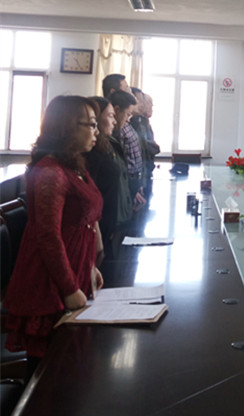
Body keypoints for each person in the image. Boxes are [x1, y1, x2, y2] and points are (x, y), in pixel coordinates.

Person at [3, 96, 104, 377]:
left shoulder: (74, 165)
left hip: (72, 272)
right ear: (66, 127)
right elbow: (48, 236)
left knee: (70, 368)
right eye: (90, 124)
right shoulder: (51, 171)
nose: (96, 131)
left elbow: (83, 221)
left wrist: (90, 266)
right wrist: (69, 288)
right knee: (49, 372)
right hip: (51, 282)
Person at [85, 96, 133, 260]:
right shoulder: (91, 153)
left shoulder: (109, 144)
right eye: (111, 116)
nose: (114, 121)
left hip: (115, 225)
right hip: (102, 230)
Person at [104, 74, 144, 201]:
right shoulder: (114, 129)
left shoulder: (125, 122)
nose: (130, 92)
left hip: (132, 181)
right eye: (127, 89)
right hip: (123, 185)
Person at [110, 90, 146, 215]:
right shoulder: (117, 132)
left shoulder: (126, 126)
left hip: (134, 179)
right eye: (127, 114)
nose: (128, 119)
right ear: (117, 110)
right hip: (127, 181)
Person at [130, 87, 160, 200]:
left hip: (145, 173)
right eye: (149, 103)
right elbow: (144, 147)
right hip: (141, 176)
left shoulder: (143, 122)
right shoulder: (137, 122)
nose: (151, 106)